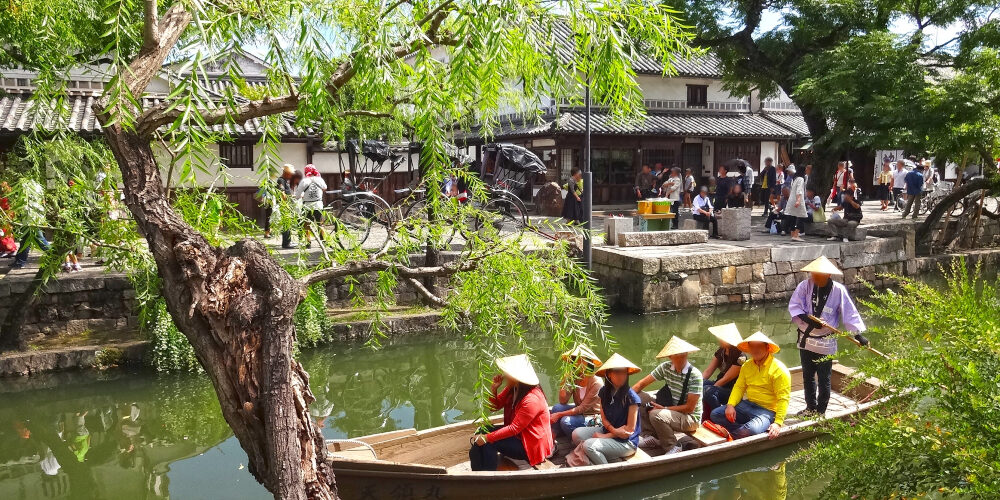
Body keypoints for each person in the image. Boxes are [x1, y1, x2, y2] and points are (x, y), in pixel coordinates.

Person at [789, 256, 869, 417]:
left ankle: (821, 411)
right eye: (813, 275)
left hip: (825, 341)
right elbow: (795, 306)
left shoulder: (838, 290)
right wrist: (809, 320)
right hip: (806, 338)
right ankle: (810, 408)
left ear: (828, 275)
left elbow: (849, 313)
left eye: (819, 275)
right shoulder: (805, 286)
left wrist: (858, 335)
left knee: (824, 378)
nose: (815, 278)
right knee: (808, 376)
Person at [469, 354, 553, 471]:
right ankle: (479, 471)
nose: (504, 375)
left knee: (489, 442)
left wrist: (487, 438)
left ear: (515, 376)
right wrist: (494, 389)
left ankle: (488, 475)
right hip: (519, 435)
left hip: (530, 445)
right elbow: (494, 407)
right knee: (482, 431)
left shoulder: (532, 399)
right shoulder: (513, 388)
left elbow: (514, 429)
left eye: (507, 372)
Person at [709, 331, 791, 439]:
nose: (754, 350)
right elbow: (739, 387)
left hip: (768, 411)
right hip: (747, 404)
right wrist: (730, 405)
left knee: (752, 430)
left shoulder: (779, 369)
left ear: (767, 347)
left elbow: (783, 399)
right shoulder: (746, 366)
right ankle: (740, 431)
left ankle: (735, 434)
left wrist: (778, 423)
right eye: (752, 346)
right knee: (715, 414)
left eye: (759, 346)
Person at [567, 353, 642, 466]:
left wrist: (606, 436)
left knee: (589, 446)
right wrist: (612, 431)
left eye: (624, 372)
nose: (621, 376)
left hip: (626, 442)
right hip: (607, 430)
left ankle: (607, 469)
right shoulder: (604, 392)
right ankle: (607, 456)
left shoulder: (632, 398)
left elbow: (628, 431)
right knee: (576, 434)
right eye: (617, 372)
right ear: (609, 374)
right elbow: (603, 417)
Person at [631, 336, 703, 454]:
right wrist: (624, 399)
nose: (681, 358)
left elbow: (690, 408)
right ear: (670, 357)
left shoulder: (695, 375)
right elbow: (641, 384)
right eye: (677, 355)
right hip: (672, 408)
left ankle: (671, 447)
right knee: (638, 397)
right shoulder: (665, 367)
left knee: (656, 414)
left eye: (683, 354)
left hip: (690, 418)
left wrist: (664, 408)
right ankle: (651, 436)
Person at [550, 345, 604, 438]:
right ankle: (555, 434)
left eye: (582, 360)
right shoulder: (576, 378)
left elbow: (582, 408)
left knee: (565, 421)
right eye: (575, 360)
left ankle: (576, 439)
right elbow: (563, 401)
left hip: (593, 416)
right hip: (579, 411)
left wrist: (559, 415)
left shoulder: (596, 382)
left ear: (589, 362)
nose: (578, 363)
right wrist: (565, 380)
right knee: (557, 407)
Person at [702, 323, 746, 420]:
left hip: (731, 390)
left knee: (708, 390)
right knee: (702, 384)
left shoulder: (740, 357)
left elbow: (726, 379)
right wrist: (696, 383)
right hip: (719, 385)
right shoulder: (721, 351)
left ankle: (719, 417)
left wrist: (710, 389)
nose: (719, 340)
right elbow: (708, 371)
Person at [11, 177, 50, 269]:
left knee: (40, 240)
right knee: (24, 241)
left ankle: (54, 255)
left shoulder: (27, 187)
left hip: (30, 220)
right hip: (31, 219)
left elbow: (24, 202)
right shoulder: (38, 188)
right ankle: (20, 261)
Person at [294, 164, 328, 247]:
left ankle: (308, 243)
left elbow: (297, 195)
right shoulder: (320, 179)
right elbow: (325, 188)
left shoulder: (304, 181)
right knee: (320, 224)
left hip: (307, 206)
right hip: (318, 205)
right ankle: (323, 241)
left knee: (306, 225)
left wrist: (303, 195)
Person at [784, 166, 807, 242]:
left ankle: (792, 233)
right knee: (802, 216)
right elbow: (799, 190)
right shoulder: (801, 179)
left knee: (793, 216)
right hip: (798, 199)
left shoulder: (794, 179)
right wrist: (798, 200)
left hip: (791, 199)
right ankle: (796, 234)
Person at [276, 164, 295, 249]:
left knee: (288, 224)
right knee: (286, 224)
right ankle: (286, 243)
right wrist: (286, 202)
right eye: (290, 174)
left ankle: (288, 241)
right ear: (286, 173)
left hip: (287, 204)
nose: (291, 176)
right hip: (285, 205)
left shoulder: (285, 180)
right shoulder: (281, 180)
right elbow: (282, 194)